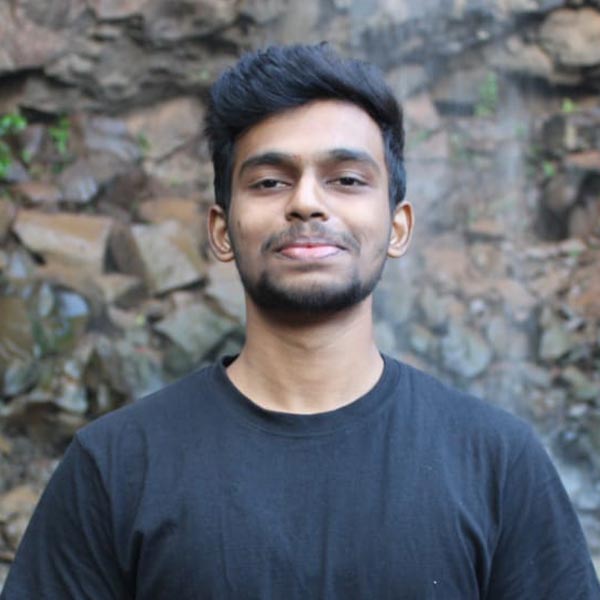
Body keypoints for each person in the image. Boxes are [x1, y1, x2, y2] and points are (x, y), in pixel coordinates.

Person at [2, 43, 599, 600]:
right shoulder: (114, 466)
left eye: (347, 180)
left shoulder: (497, 462)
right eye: (270, 182)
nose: (307, 202)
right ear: (221, 231)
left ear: (397, 228)